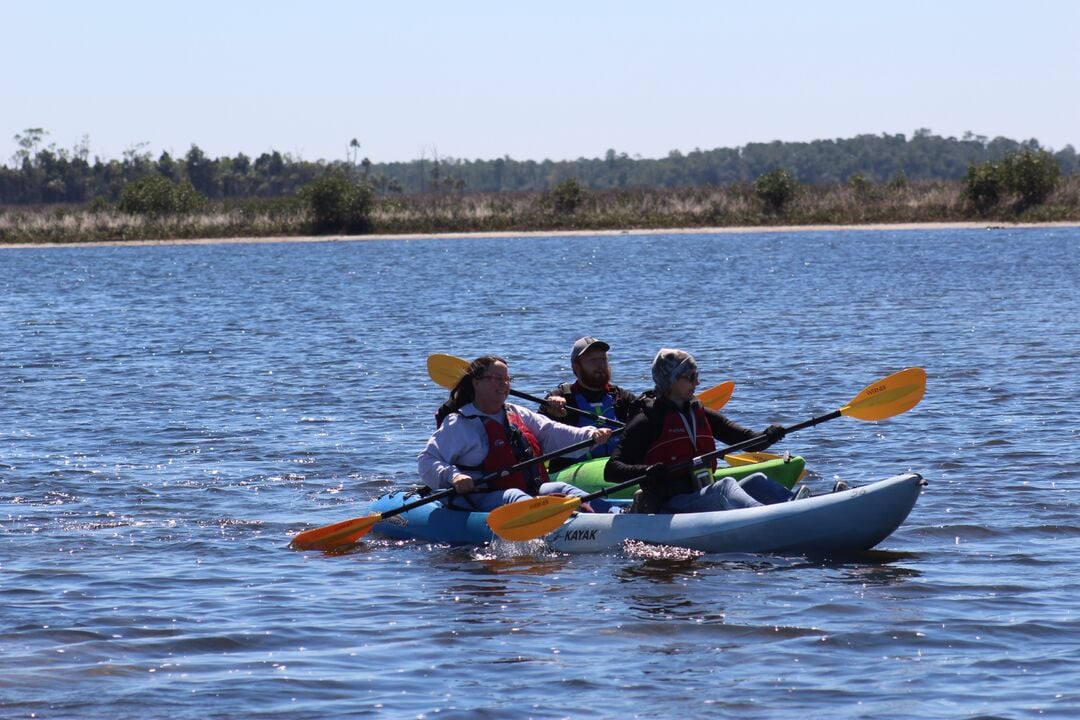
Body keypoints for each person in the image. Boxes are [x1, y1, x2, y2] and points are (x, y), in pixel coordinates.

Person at [604, 348, 794, 514]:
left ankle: (795, 505)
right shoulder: (647, 420)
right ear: (671, 381)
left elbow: (747, 440)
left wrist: (768, 436)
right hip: (671, 504)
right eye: (691, 377)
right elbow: (611, 470)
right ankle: (762, 516)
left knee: (758, 481)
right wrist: (646, 471)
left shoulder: (700, 413)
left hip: (700, 494)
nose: (698, 383)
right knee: (726, 486)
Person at [419, 355, 614, 513]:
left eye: (507, 379)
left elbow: (553, 432)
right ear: (476, 383)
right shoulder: (460, 422)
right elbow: (427, 460)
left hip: (529, 490)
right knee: (515, 496)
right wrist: (454, 477)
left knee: (563, 489)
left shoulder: (516, 412)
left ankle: (616, 514)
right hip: (483, 496)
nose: (504, 384)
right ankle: (557, 524)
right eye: (496, 379)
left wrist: (591, 435)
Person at [539, 336, 643, 472]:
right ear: (576, 367)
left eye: (603, 359)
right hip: (571, 471)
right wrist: (551, 413)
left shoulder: (621, 397)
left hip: (616, 466)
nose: (600, 365)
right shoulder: (560, 399)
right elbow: (536, 435)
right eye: (593, 360)